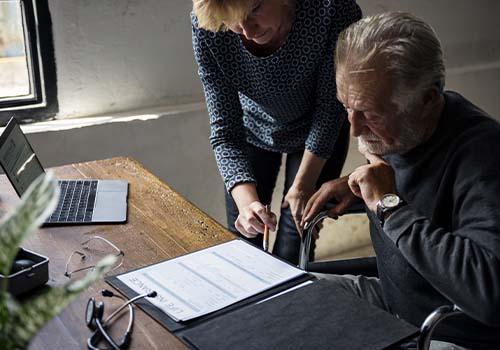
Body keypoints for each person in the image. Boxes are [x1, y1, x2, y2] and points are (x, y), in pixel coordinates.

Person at [302, 12, 500, 350]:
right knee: (280, 298)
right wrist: (356, 183)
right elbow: (420, 180)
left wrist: (388, 206)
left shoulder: (484, 158)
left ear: (428, 101)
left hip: (448, 332)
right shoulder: (399, 131)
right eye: (346, 108)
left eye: (370, 114)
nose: (354, 130)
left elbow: (490, 292)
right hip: (393, 300)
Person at [191, 0, 361, 264]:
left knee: (294, 246)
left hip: (319, 132)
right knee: (244, 244)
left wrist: (303, 184)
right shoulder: (210, 26)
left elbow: (330, 107)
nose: (247, 31)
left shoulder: (332, 8)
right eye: (233, 23)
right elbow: (225, 130)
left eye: (254, 11)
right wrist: (247, 205)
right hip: (252, 129)